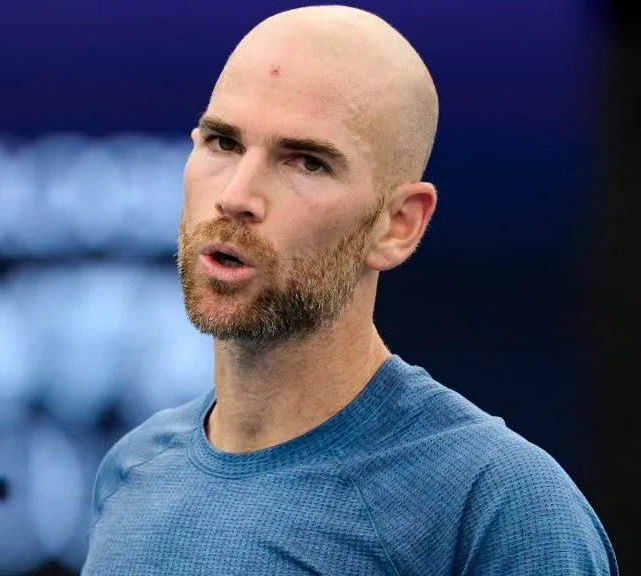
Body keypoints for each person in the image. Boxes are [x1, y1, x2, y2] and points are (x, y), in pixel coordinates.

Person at [81, 5, 618, 575]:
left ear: (398, 225)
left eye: (307, 163)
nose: (236, 196)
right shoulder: (132, 470)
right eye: (223, 143)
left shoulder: (497, 508)